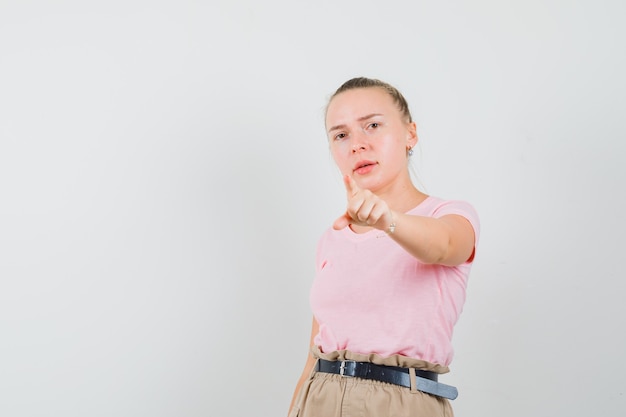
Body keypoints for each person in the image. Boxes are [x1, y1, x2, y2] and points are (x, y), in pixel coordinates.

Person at [288, 77, 480, 417]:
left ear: (410, 134)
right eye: (341, 135)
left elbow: (443, 246)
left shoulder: (449, 215)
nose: (357, 145)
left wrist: (387, 221)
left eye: (372, 126)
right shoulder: (333, 237)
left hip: (402, 402)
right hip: (320, 397)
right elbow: (312, 355)